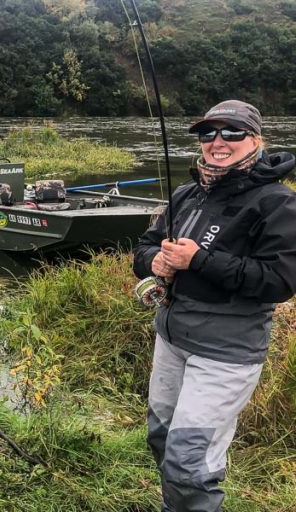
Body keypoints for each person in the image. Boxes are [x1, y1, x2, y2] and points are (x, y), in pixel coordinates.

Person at [133, 99, 296, 512]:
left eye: (232, 132)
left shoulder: (278, 203)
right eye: (208, 133)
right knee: (162, 437)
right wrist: (154, 262)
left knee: (190, 463)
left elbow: (279, 281)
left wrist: (198, 260)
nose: (217, 142)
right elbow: (146, 246)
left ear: (256, 139)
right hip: (171, 339)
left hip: (226, 353)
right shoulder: (187, 194)